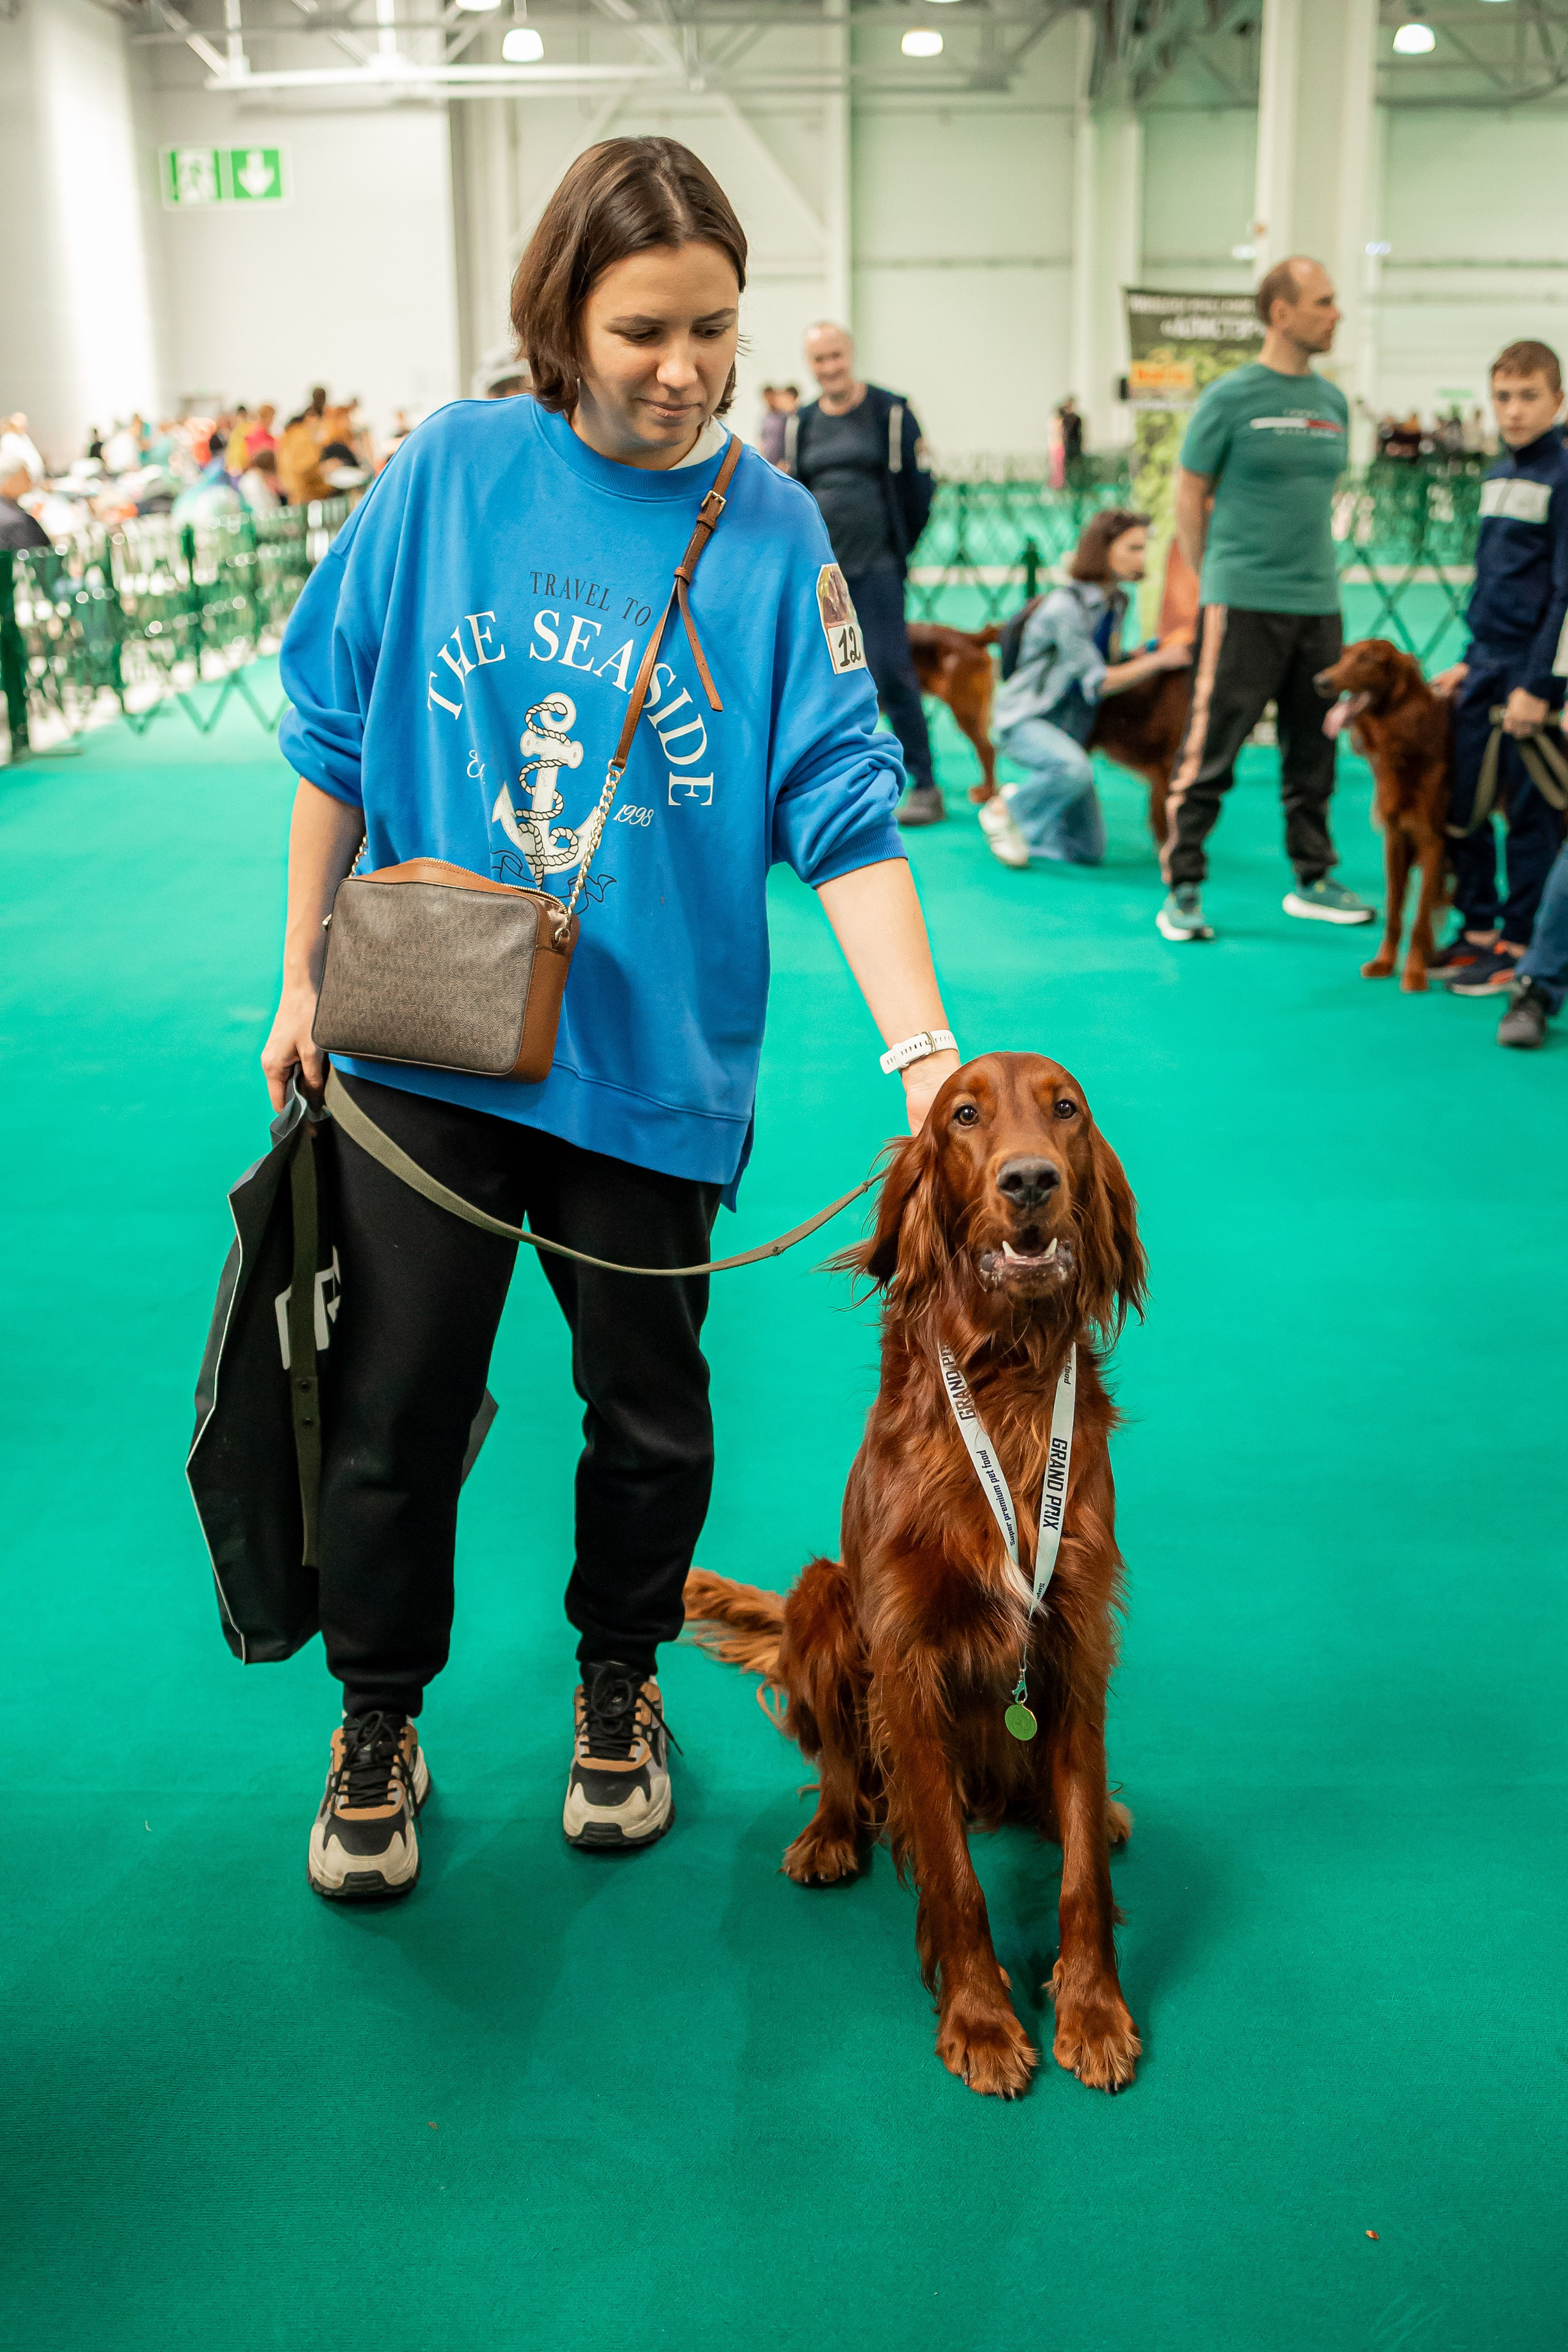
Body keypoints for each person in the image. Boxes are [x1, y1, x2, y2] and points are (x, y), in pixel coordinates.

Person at [264, 137, 960, 1901]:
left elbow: (844, 809)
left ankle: (620, 1685)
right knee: (393, 1405)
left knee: (648, 1412)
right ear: (559, 320)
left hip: (649, 1068)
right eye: (646, 329)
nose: (687, 371)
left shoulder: (774, 527)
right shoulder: (450, 473)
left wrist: (928, 1055)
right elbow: (338, 743)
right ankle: (376, 1712)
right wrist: (296, 983)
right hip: (419, 1034)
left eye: (715, 329)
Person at [1159, 255, 1376, 942]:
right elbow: (1188, 492)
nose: (1335, 314)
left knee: (1313, 749)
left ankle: (1313, 878)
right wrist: (1215, 575)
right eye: (1323, 302)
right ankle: (1183, 887)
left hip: (1318, 602)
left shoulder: (1332, 402)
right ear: (1281, 313)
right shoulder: (1230, 397)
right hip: (1241, 601)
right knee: (1211, 749)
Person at [1426, 341, 1568, 995]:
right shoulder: (1492, 475)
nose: (1513, 411)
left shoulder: (1562, 476)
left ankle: (1517, 942)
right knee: (1464, 806)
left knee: (1529, 816)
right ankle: (1477, 928)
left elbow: (1564, 593)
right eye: (1503, 397)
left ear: (1557, 401)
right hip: (1482, 665)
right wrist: (1466, 661)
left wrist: (1540, 685)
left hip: (1527, 675)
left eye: (1528, 397)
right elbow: (1493, 579)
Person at [785, 323, 941, 824]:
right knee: (818, 676)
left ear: (850, 355)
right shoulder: (801, 422)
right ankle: (830, 781)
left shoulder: (891, 412)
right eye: (819, 360)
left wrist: (899, 548)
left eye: (836, 356)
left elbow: (920, 488)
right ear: (810, 365)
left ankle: (925, 783)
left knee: (891, 668)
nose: (829, 368)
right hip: (824, 573)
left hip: (878, 566)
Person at [981, 510, 1191, 870]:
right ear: (1103, 551)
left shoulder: (1117, 602)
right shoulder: (1064, 608)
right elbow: (1099, 681)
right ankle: (1005, 810)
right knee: (1075, 769)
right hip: (1026, 722)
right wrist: (1160, 661)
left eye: (1145, 548)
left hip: (1070, 732)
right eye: (1133, 549)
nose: (1143, 558)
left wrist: (1148, 652)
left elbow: (1105, 661)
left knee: (1086, 851)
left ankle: (1026, 822)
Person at [0, 457, 51, 551]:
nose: (29, 481)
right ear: (10, 481)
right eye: (25, 477)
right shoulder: (16, 520)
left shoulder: (10, 509)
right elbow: (37, 554)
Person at [758, 382, 797, 469]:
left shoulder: (786, 418)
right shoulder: (766, 417)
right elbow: (761, 438)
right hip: (767, 462)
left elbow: (784, 441)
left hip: (783, 464)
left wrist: (784, 461)